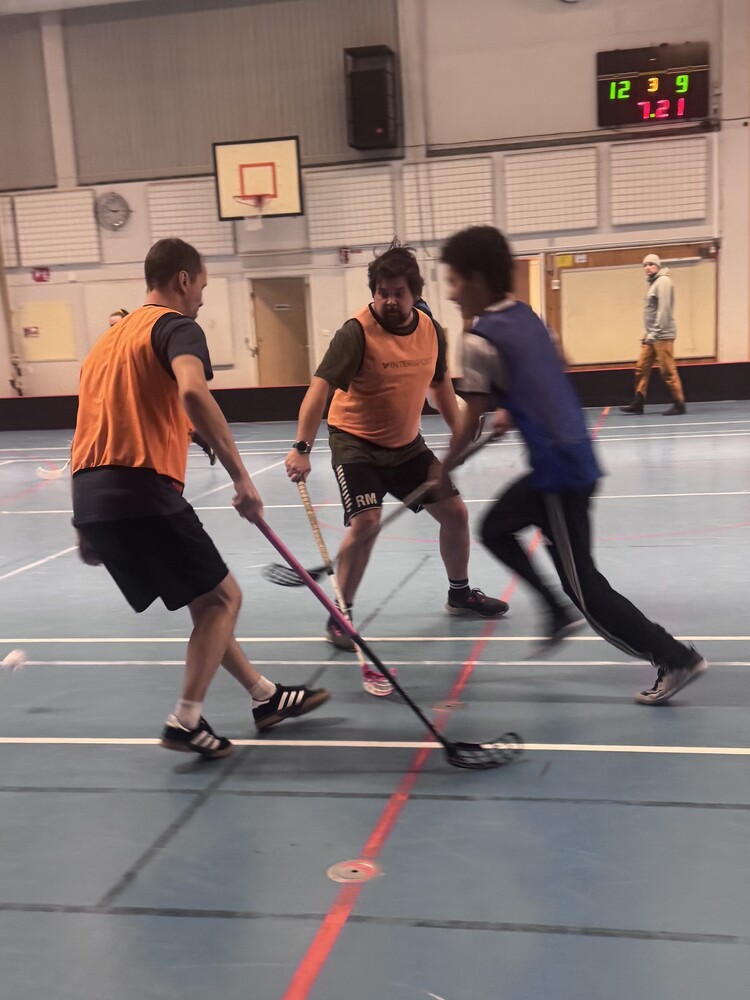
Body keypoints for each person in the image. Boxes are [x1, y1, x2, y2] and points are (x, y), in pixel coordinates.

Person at [73, 239, 329, 757]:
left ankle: (264, 696)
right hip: (142, 487)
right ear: (183, 280)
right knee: (224, 599)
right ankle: (185, 720)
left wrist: (84, 520)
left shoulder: (108, 340)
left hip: (93, 492)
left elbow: (99, 420)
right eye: (203, 286)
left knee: (203, 600)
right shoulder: (176, 326)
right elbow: (192, 390)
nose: (203, 299)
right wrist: (242, 479)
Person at [438, 225, 706, 705]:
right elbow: (554, 364)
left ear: (476, 279)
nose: (451, 292)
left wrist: (442, 469)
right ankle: (554, 611)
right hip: (567, 456)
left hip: (559, 471)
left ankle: (674, 657)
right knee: (495, 528)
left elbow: (469, 419)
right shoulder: (529, 316)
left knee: (585, 587)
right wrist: (513, 404)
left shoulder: (478, 339)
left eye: (454, 281)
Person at [284, 241, 508, 695]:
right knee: (366, 522)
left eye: (398, 292)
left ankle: (459, 593)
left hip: (407, 446)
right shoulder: (356, 333)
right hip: (356, 443)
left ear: (415, 293)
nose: (389, 300)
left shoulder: (431, 331)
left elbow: (440, 390)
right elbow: (320, 388)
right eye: (382, 292)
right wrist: (301, 447)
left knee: (456, 514)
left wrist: (461, 435)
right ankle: (341, 615)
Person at [620, 254, 686, 416]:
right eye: (645, 265)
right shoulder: (653, 283)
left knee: (667, 371)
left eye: (651, 264)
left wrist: (655, 333)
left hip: (662, 335)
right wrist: (648, 334)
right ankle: (638, 402)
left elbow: (664, 310)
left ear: (657, 266)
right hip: (651, 335)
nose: (647, 268)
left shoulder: (663, 282)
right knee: (641, 368)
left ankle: (679, 404)